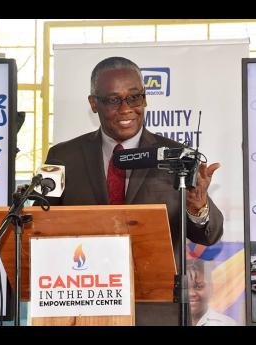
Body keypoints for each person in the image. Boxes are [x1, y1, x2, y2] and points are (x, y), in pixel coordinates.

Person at [44, 56, 224, 325]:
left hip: (154, 311)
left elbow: (209, 234)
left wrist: (197, 207)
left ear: (145, 98)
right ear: (94, 103)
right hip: (82, 305)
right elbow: (42, 227)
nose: (126, 108)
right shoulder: (63, 156)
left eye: (135, 97)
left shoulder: (176, 157)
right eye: (113, 100)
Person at [188, 259, 237, 326]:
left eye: (198, 287)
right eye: (185, 287)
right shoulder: (170, 321)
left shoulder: (227, 324)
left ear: (211, 289)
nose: (191, 293)